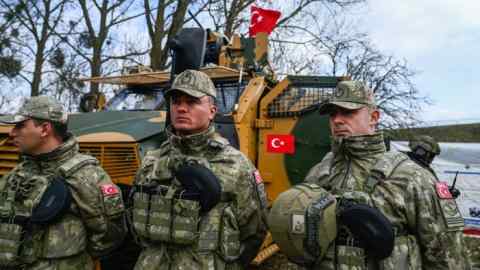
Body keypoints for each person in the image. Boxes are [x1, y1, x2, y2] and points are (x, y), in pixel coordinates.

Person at [272, 81, 470, 269]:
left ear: (374, 117)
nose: (337, 120)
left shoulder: (411, 177)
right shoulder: (319, 172)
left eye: (348, 112)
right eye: (333, 114)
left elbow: (449, 257)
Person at [131, 69, 268, 270]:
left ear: (212, 111)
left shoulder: (236, 165)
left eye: (192, 102)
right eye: (176, 102)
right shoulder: (152, 161)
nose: (182, 109)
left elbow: (254, 231)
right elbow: (134, 219)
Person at [0, 96, 126, 269]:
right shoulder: (17, 173)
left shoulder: (87, 175)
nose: (12, 133)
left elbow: (109, 235)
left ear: (44, 129)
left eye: (20, 126)